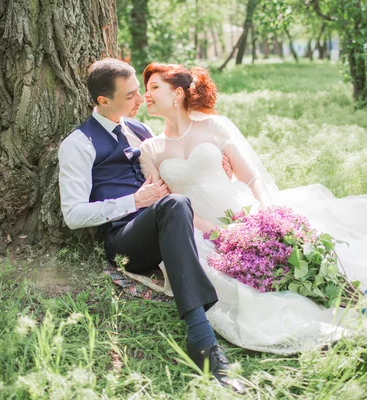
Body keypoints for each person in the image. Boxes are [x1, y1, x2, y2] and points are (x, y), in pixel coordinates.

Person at [138, 62, 367, 354]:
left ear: (179, 93)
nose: (147, 95)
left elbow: (251, 176)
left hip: (251, 215)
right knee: (262, 282)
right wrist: (219, 232)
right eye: (145, 89)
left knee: (310, 261)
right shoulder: (150, 148)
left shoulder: (214, 126)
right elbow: (167, 204)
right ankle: (356, 315)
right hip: (204, 233)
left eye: (154, 87)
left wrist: (270, 215)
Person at [58, 58, 245, 392]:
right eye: (130, 95)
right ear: (103, 101)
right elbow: (72, 215)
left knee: (175, 204)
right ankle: (201, 338)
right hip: (124, 241)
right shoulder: (78, 144)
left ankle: (202, 334)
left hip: (164, 222)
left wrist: (217, 161)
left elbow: (176, 163)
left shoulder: (140, 131)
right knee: (171, 205)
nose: (139, 100)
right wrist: (134, 202)